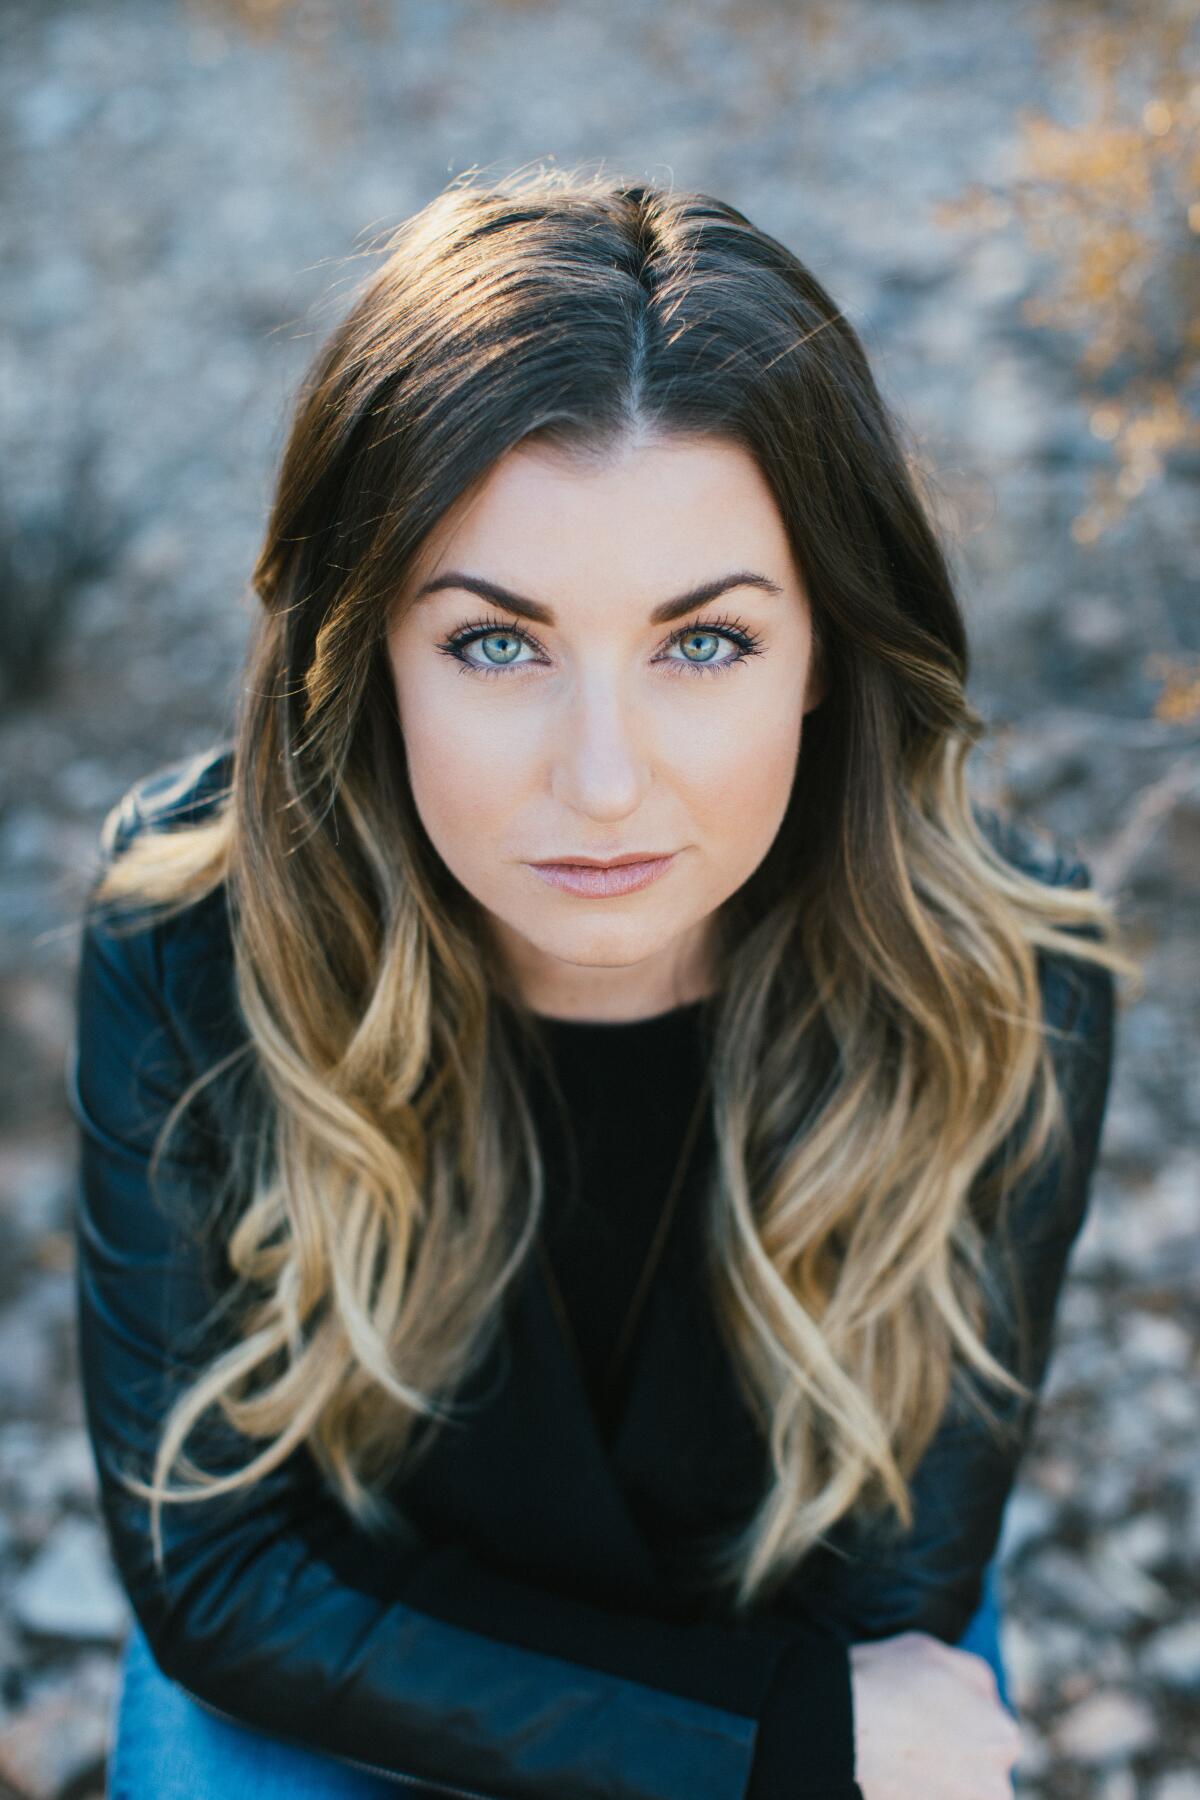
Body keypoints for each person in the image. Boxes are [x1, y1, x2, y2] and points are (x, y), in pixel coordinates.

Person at [68, 167, 1135, 1800]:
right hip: (347, 1652)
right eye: (498, 643)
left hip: (790, 1645)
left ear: (827, 656)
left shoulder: (1000, 979)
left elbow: (893, 1593)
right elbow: (218, 1575)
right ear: (363, 661)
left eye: (702, 642)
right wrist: (766, 1749)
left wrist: (782, 1733)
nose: (606, 782)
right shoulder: (192, 924)